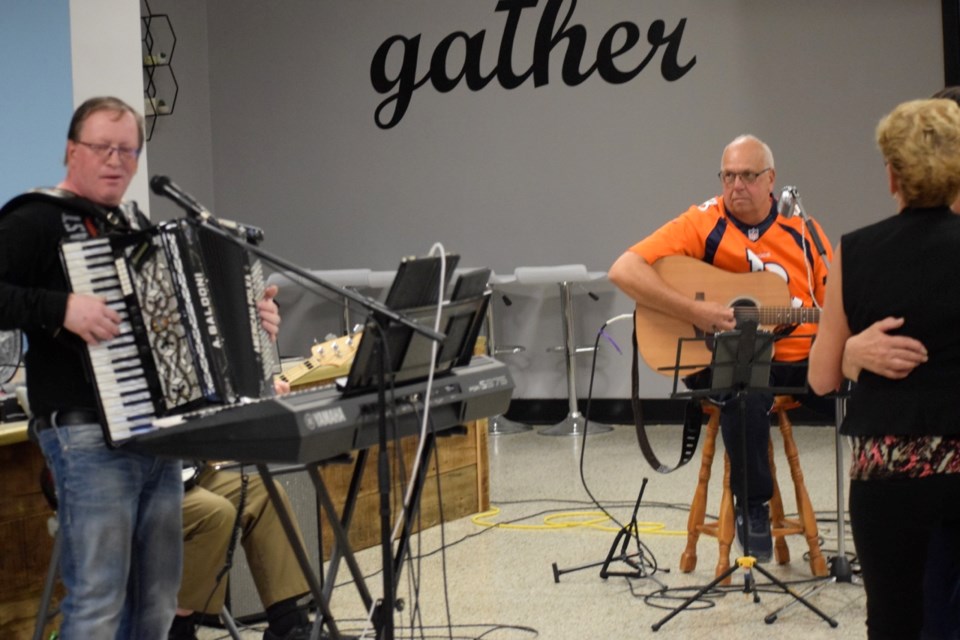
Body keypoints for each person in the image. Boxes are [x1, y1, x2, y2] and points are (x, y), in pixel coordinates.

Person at [0, 96, 282, 639]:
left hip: (156, 439)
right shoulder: (34, 219)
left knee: (156, 601)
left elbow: (185, 328)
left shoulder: (133, 227)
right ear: (71, 150)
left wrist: (252, 322)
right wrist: (60, 307)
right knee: (98, 600)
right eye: (102, 146)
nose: (116, 160)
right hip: (85, 436)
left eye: (127, 150)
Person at [609, 134, 834, 561]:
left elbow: (834, 301)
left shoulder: (804, 231)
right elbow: (624, 269)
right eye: (728, 176)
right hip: (723, 363)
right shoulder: (703, 222)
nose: (736, 186)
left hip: (797, 362)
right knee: (745, 383)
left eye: (748, 176)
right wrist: (697, 314)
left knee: (863, 389)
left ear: (771, 180)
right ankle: (752, 507)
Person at [808, 98, 960, 639]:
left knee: (893, 621)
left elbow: (821, 379)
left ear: (891, 175)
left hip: (888, 476)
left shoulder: (855, 250)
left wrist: (849, 354)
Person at [169, 461, 313, 640]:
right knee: (217, 513)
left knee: (267, 493)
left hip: (187, 472)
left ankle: (289, 625)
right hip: (144, 483)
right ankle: (177, 630)